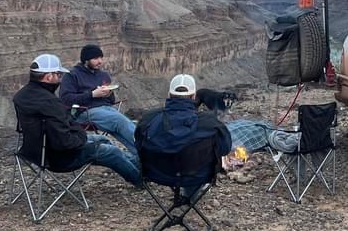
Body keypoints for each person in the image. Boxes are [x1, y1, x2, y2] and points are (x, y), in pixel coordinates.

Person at [14, 53, 143, 186]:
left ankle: (137, 164)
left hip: (34, 151)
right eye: (59, 75)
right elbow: (66, 142)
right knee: (111, 152)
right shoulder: (50, 103)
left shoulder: (21, 96)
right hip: (59, 157)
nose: (60, 78)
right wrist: (82, 137)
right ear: (49, 76)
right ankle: (140, 180)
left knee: (103, 140)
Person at [135, 74, 232, 197]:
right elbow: (225, 149)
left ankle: (186, 197)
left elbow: (138, 145)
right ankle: (189, 198)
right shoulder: (211, 123)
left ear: (169, 95)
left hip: (158, 174)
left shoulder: (148, 119)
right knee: (195, 164)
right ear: (194, 96)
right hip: (196, 176)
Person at [59, 44, 137, 157]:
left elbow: (111, 100)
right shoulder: (72, 76)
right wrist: (92, 94)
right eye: (95, 58)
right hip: (84, 111)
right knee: (119, 121)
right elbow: (66, 99)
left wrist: (108, 93)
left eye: (101, 58)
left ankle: (141, 155)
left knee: (125, 124)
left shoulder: (103, 75)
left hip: (106, 109)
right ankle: (149, 149)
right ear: (86, 60)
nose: (100, 61)